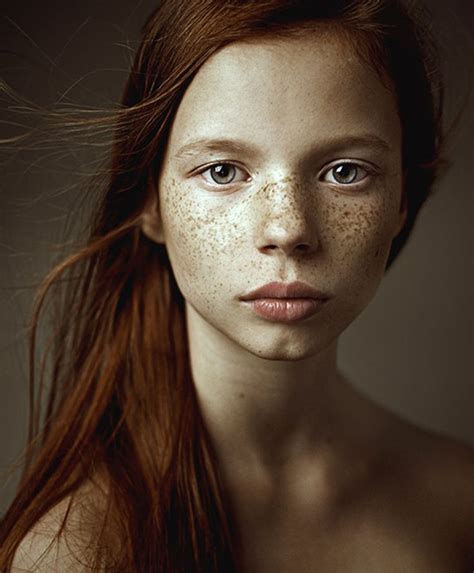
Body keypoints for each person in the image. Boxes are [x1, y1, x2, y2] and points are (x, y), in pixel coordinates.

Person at [1, 0, 473, 571]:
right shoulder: (74, 555)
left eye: (345, 171)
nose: (288, 229)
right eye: (223, 171)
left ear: (402, 198)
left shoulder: (460, 504)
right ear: (149, 202)